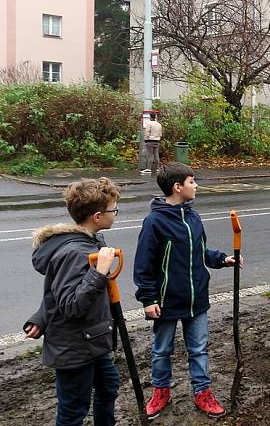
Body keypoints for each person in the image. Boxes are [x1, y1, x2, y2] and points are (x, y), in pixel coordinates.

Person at [134, 162, 242, 419]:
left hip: (197, 299)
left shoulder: (193, 216)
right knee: (162, 350)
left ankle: (203, 392)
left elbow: (200, 252)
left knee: (199, 349)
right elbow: (143, 265)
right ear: (177, 187)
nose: (196, 186)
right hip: (167, 301)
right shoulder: (154, 222)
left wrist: (221, 259)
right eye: (192, 182)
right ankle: (161, 391)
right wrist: (148, 299)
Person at [22, 177, 122, 426]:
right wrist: (99, 273)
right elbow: (70, 305)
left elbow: (55, 291)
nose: (116, 214)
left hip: (92, 338)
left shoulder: (92, 241)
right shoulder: (75, 252)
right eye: (114, 210)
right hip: (74, 346)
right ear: (97, 216)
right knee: (73, 412)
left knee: (108, 386)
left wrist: (41, 317)